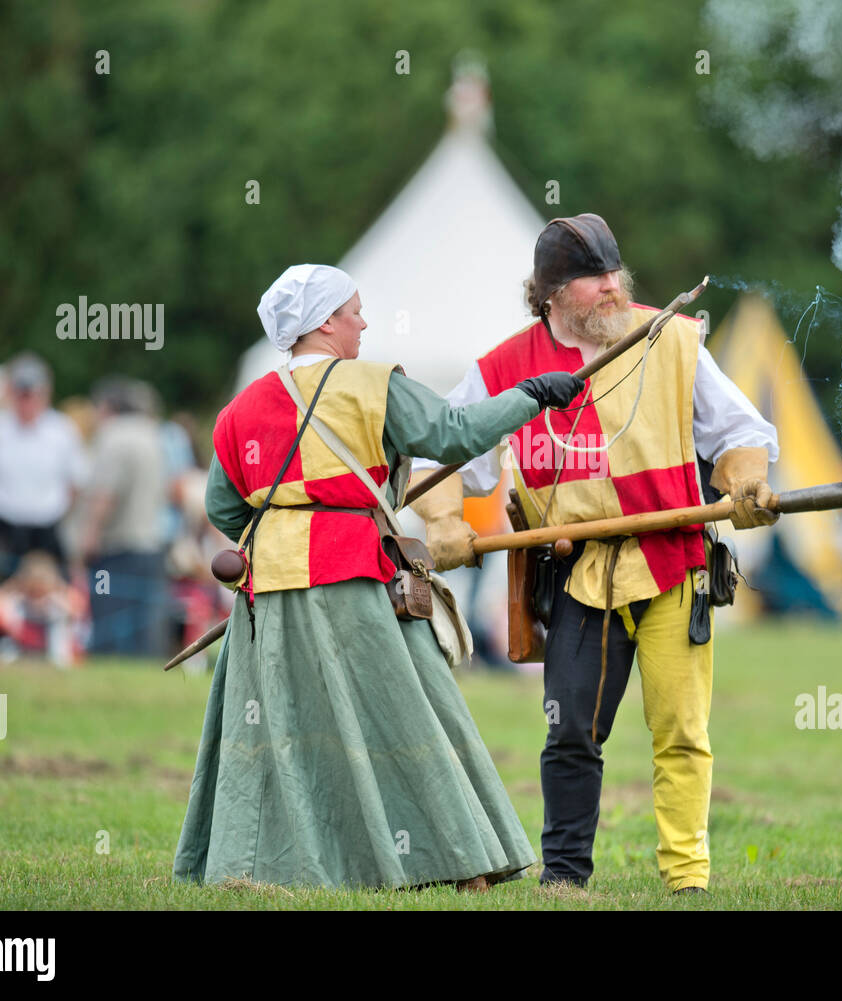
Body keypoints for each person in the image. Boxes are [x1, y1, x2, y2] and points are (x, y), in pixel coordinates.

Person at [173, 264, 582, 891]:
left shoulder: (238, 410)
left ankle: (264, 868)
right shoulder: (372, 385)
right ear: (327, 322)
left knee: (282, 731)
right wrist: (532, 394)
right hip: (355, 577)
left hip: (270, 596)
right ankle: (458, 863)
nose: (364, 322)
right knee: (408, 718)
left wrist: (283, 518)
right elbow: (455, 434)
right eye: (355, 311)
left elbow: (225, 511)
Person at [410, 214, 780, 894]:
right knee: (571, 730)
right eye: (593, 279)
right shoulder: (503, 367)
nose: (612, 287)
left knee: (680, 730)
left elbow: (738, 429)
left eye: (615, 272)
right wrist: (443, 520)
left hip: (675, 564)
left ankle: (687, 879)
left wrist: (747, 480)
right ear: (550, 294)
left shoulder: (670, 336)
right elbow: (441, 455)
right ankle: (565, 877)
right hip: (577, 575)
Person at [0, 354, 87, 588]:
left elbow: (75, 483)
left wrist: (57, 512)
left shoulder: (63, 430)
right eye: (21, 394)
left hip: (47, 528)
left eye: (32, 394)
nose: (27, 401)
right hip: (4, 526)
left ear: (45, 393)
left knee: (57, 594)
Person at [77, 377, 170, 657]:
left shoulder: (114, 435)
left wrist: (89, 536)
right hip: (152, 543)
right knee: (144, 627)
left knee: (110, 624)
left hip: (116, 547)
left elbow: (106, 493)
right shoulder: (154, 434)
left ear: (107, 407)